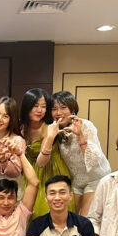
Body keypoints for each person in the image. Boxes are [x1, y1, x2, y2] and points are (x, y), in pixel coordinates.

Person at [50, 91, 111, 215]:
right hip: (75, 181)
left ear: (72, 109)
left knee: (86, 219)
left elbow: (94, 160)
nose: (58, 113)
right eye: (54, 109)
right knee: (71, 217)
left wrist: (80, 135)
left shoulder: (85, 125)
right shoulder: (54, 129)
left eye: (63, 107)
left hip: (95, 177)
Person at [20, 88, 75, 219]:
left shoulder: (49, 127)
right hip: (30, 173)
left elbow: (41, 162)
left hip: (51, 171)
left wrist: (50, 137)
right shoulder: (21, 128)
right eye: (35, 105)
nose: (39, 110)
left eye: (43, 106)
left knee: (46, 211)